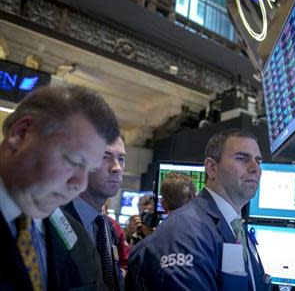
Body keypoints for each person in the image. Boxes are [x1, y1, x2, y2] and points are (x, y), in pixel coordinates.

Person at [0, 85, 120, 290]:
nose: (80, 185)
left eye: (89, 169)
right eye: (74, 161)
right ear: (21, 134)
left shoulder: (79, 242)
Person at [126, 129, 271, 291]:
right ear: (211, 168)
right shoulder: (185, 230)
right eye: (242, 158)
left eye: (258, 161)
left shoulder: (236, 227)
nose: (255, 168)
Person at [64, 136, 127, 291]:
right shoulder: (56, 222)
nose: (117, 167)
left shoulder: (108, 228)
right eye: (105, 157)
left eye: (121, 158)